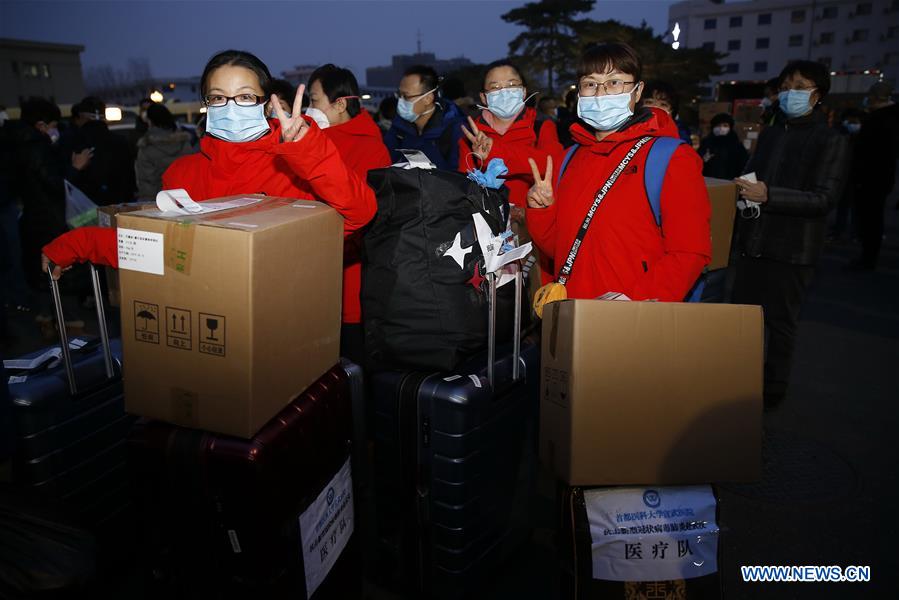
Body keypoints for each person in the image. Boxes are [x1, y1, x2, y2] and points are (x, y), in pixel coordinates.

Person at [41, 50, 377, 282]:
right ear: (206, 105)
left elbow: (357, 215)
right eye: (218, 97)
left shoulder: (298, 168)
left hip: (287, 331)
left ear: (265, 103)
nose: (231, 107)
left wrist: (308, 150)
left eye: (245, 97)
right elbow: (162, 252)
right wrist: (77, 243)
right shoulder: (182, 175)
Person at [519, 43, 710, 302]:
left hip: (634, 319)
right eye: (591, 83)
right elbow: (562, 250)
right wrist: (541, 211)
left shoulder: (671, 158)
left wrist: (631, 305)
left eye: (614, 82)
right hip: (575, 312)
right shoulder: (570, 158)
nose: (601, 93)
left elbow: (690, 251)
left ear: (637, 90)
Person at [731, 60, 847, 411]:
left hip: (793, 248)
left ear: (818, 94)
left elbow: (824, 198)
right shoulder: (770, 133)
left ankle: (773, 389)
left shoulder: (831, 140)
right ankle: (736, 382)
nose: (790, 93)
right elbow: (755, 175)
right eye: (786, 86)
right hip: (754, 241)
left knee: (781, 324)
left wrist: (769, 194)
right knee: (743, 321)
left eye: (800, 86)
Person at [305, 63, 391, 363]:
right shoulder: (316, 140)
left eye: (314, 101)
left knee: (351, 367)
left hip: (350, 280)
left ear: (340, 104)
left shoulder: (369, 148)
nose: (308, 109)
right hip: (313, 274)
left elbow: (364, 219)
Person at [848, 82, 899, 270]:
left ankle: (868, 258)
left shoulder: (881, 119)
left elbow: (871, 152)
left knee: (871, 219)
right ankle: (868, 254)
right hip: (878, 178)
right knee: (871, 218)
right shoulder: (887, 118)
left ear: (876, 96)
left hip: (871, 179)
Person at [382, 65, 466, 169]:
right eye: (399, 95)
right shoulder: (398, 130)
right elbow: (384, 163)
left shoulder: (455, 129)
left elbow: (460, 178)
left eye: (406, 96)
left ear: (428, 98)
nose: (400, 101)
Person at [61, 96, 136, 207]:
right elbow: (130, 178)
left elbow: (63, 180)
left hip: (83, 208)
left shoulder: (70, 141)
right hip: (117, 207)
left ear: (81, 116)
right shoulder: (120, 141)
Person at [135, 103, 194, 200]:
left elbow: (147, 181)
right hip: (186, 198)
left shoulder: (147, 148)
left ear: (150, 121)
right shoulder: (185, 143)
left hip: (160, 200)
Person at [828, 108, 865, 242]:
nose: (852, 124)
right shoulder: (840, 135)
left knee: (855, 207)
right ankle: (840, 230)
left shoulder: (864, 136)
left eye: (855, 121)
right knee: (843, 206)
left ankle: (854, 232)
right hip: (844, 176)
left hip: (857, 177)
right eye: (850, 121)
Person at [697, 112, 748, 180]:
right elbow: (696, 163)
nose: (721, 128)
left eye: (725, 125)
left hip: (730, 183)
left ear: (730, 127)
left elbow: (743, 166)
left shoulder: (736, 145)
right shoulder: (706, 143)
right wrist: (703, 160)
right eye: (718, 125)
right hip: (708, 182)